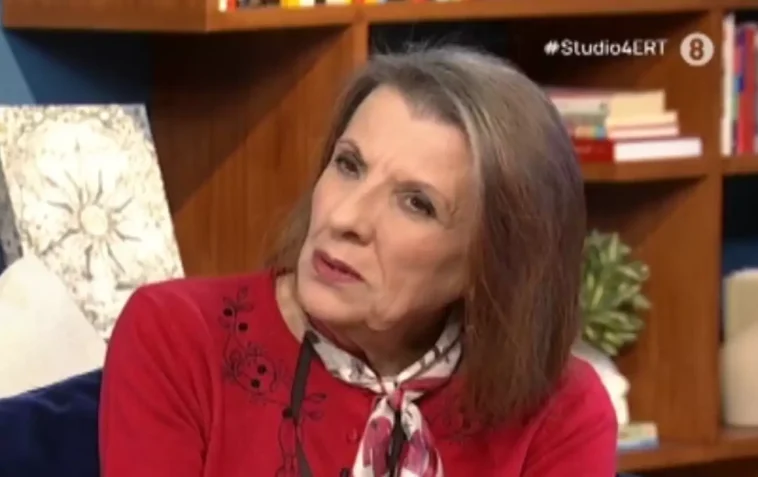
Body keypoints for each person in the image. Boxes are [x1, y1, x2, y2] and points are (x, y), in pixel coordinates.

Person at [99, 46, 617, 477]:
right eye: (348, 165)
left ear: (493, 263)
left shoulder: (561, 410)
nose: (345, 217)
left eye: (417, 203)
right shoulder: (178, 335)